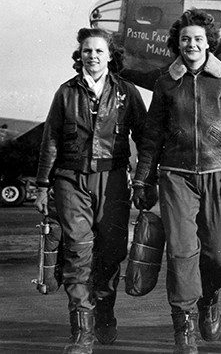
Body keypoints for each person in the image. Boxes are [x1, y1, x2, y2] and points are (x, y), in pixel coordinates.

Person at [132, 8, 221, 354]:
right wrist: (142, 179)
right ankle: (183, 325)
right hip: (177, 177)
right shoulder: (166, 83)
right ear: (178, 44)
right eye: (185, 39)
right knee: (183, 252)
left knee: (219, 254)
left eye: (198, 38)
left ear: (209, 43)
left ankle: (209, 297)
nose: (192, 44)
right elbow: (152, 136)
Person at [35, 28, 147, 354]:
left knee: (111, 253)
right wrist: (42, 185)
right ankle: (82, 332)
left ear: (110, 55)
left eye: (99, 51)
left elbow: (144, 139)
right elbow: (51, 140)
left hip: (113, 181)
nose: (93, 56)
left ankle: (105, 310)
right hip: (70, 180)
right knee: (78, 251)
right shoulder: (66, 92)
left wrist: (143, 179)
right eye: (87, 51)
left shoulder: (127, 92)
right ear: (80, 55)